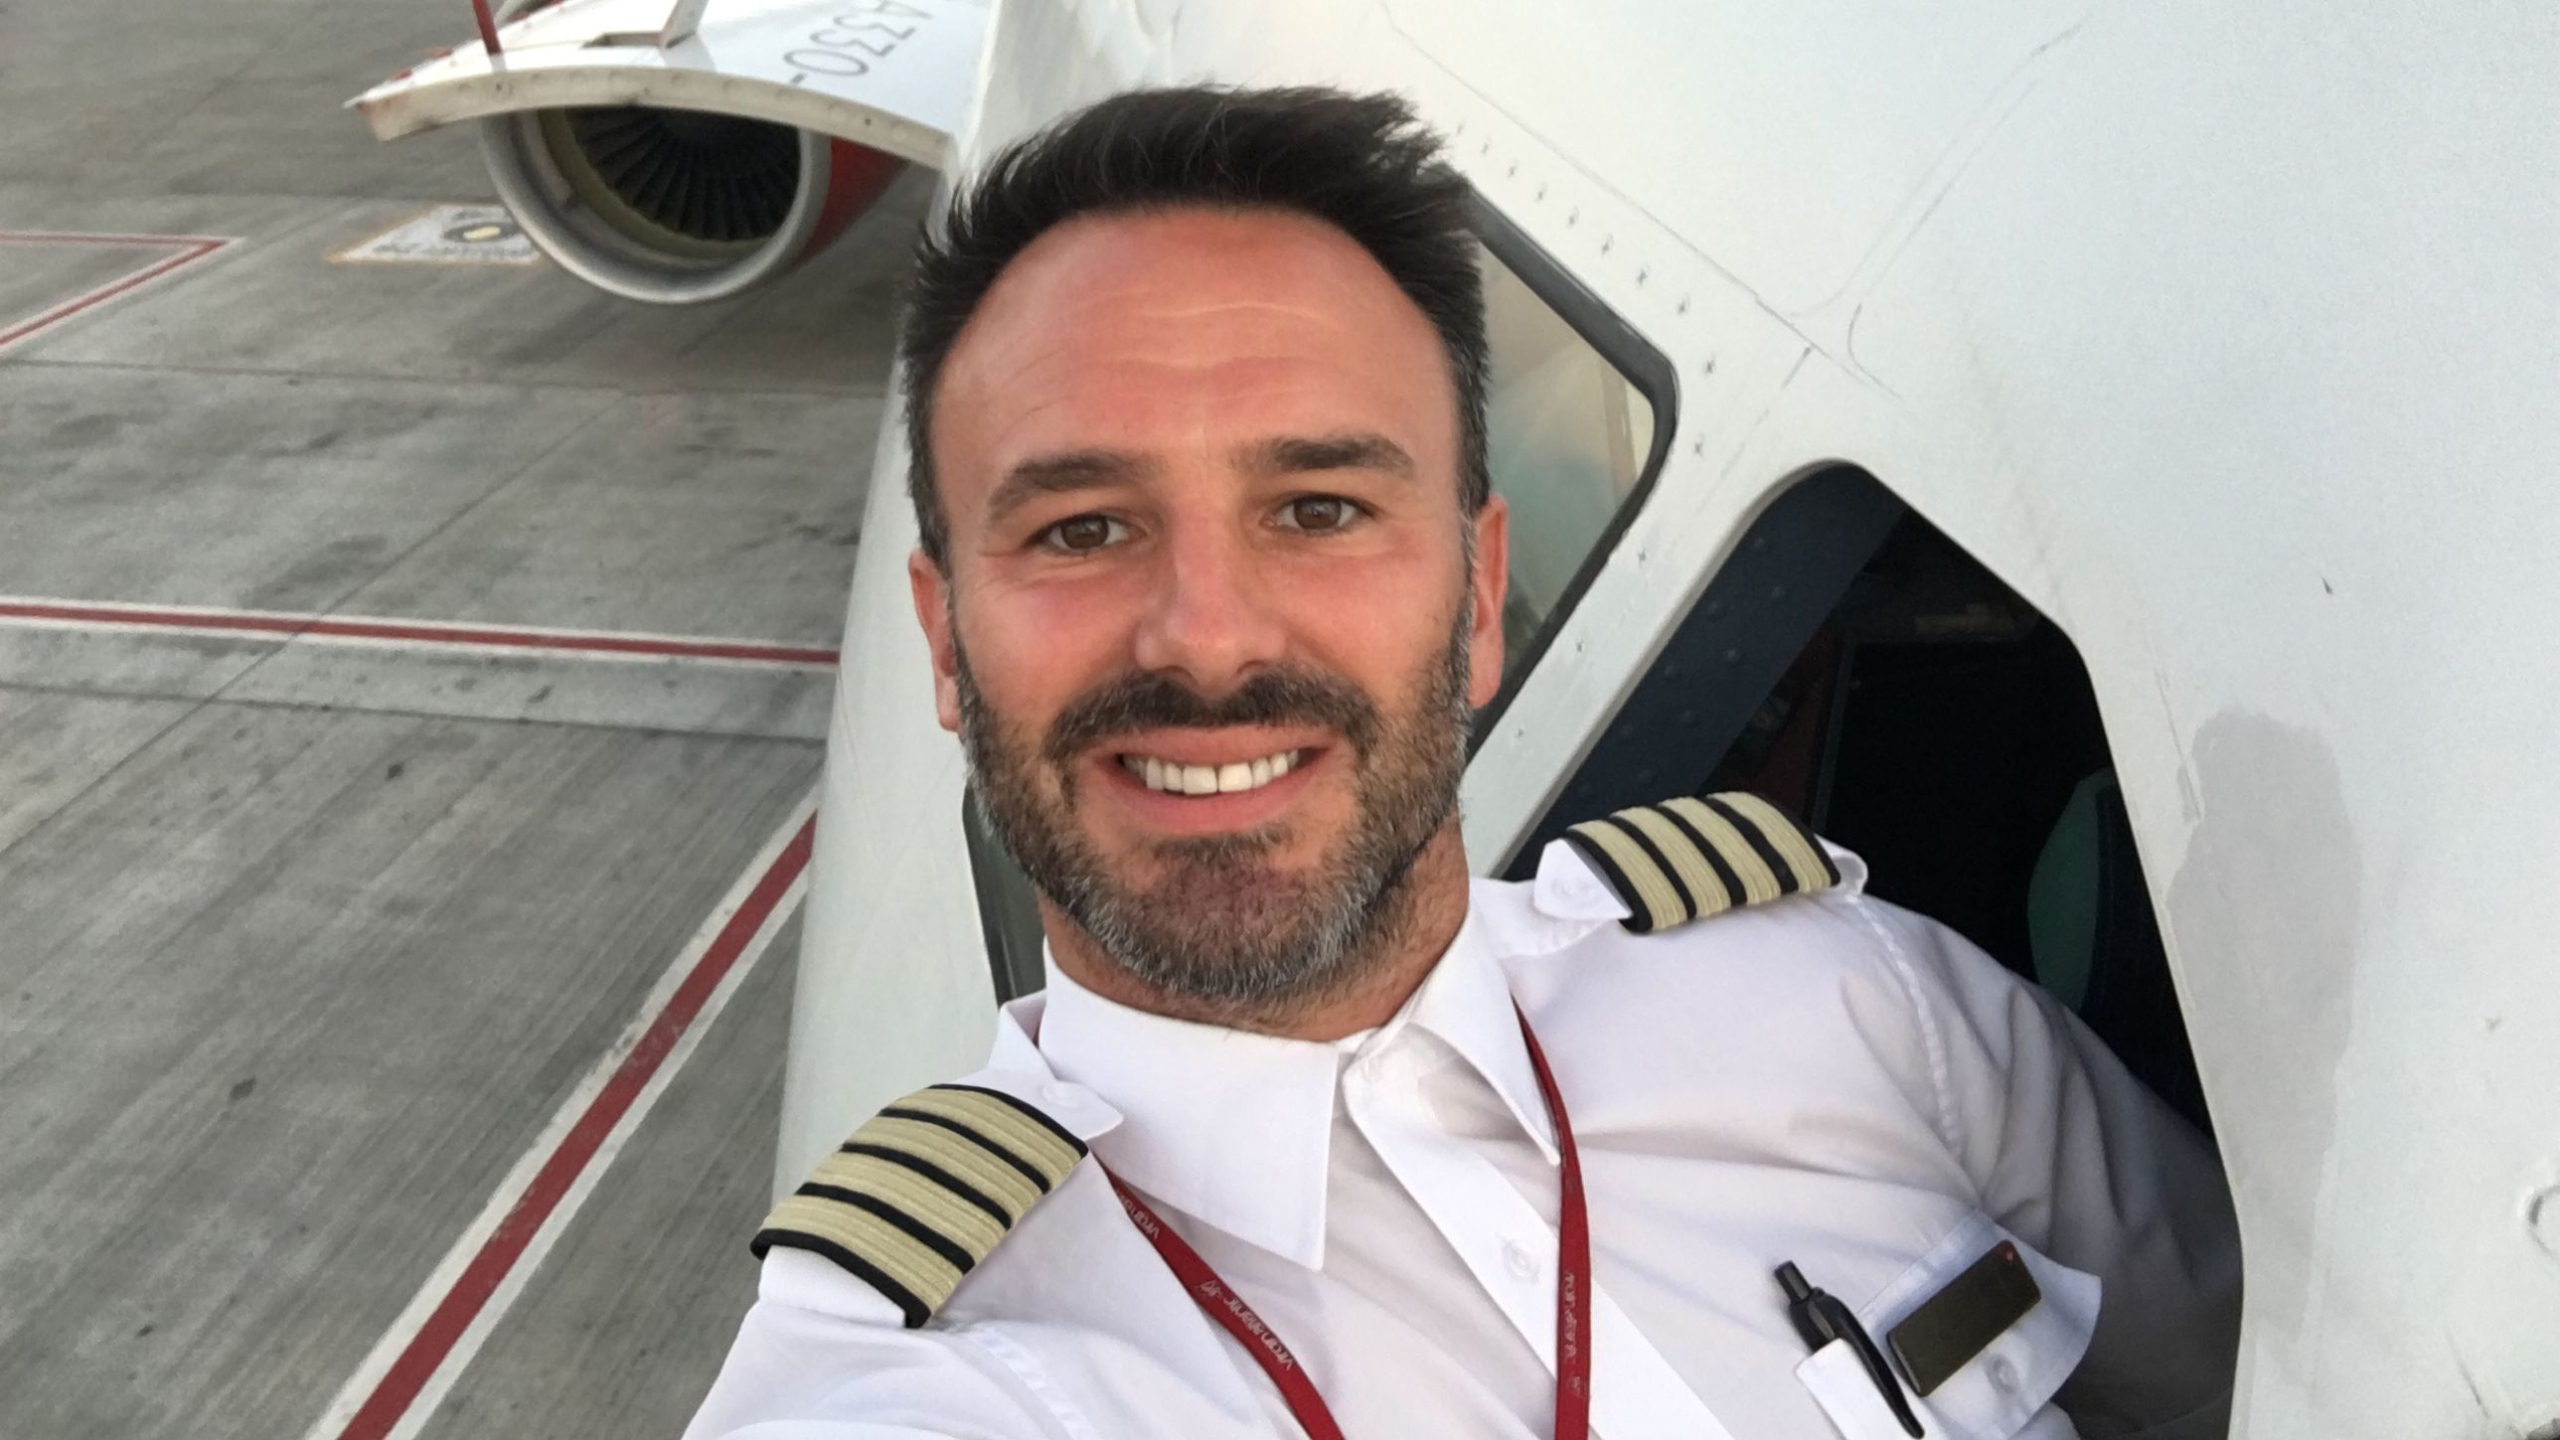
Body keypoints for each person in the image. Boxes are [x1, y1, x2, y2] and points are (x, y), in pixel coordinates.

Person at [684, 86, 2241, 1440]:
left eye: (1321, 509)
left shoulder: (1862, 1006)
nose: (1207, 638)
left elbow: (2243, 1377)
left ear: (1481, 598)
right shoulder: (922, 1367)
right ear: (945, 644)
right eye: (1081, 528)